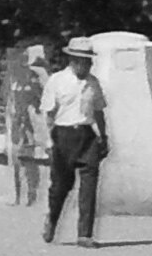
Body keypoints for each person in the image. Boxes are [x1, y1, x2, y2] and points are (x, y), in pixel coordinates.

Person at [42, 38, 108, 245]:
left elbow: (99, 112)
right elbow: (49, 114)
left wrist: (103, 136)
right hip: (63, 134)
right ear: (72, 60)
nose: (86, 65)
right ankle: (52, 219)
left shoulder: (93, 83)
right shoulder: (57, 81)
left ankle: (84, 234)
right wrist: (48, 141)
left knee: (89, 185)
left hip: (87, 135)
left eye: (88, 61)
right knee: (61, 185)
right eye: (81, 61)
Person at [6, 41, 50, 216]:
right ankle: (18, 196)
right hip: (19, 123)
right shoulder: (16, 77)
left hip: (34, 123)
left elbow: (46, 96)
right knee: (17, 157)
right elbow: (11, 99)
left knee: (32, 157)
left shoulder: (40, 75)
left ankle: (33, 196)